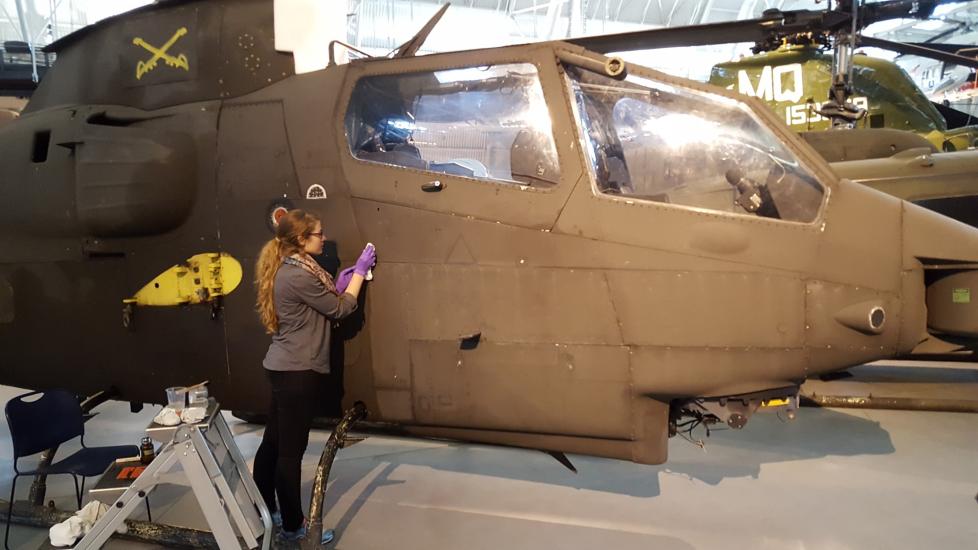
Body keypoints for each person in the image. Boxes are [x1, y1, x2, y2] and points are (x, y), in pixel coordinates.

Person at [252, 209, 376, 542]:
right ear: (301, 239)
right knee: (289, 453)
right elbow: (339, 309)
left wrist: (339, 283)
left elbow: (318, 303)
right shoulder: (299, 274)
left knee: (273, 444)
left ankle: (265, 510)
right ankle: (294, 526)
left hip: (282, 367)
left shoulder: (294, 267)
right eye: (319, 234)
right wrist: (360, 276)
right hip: (297, 372)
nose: (324, 238)